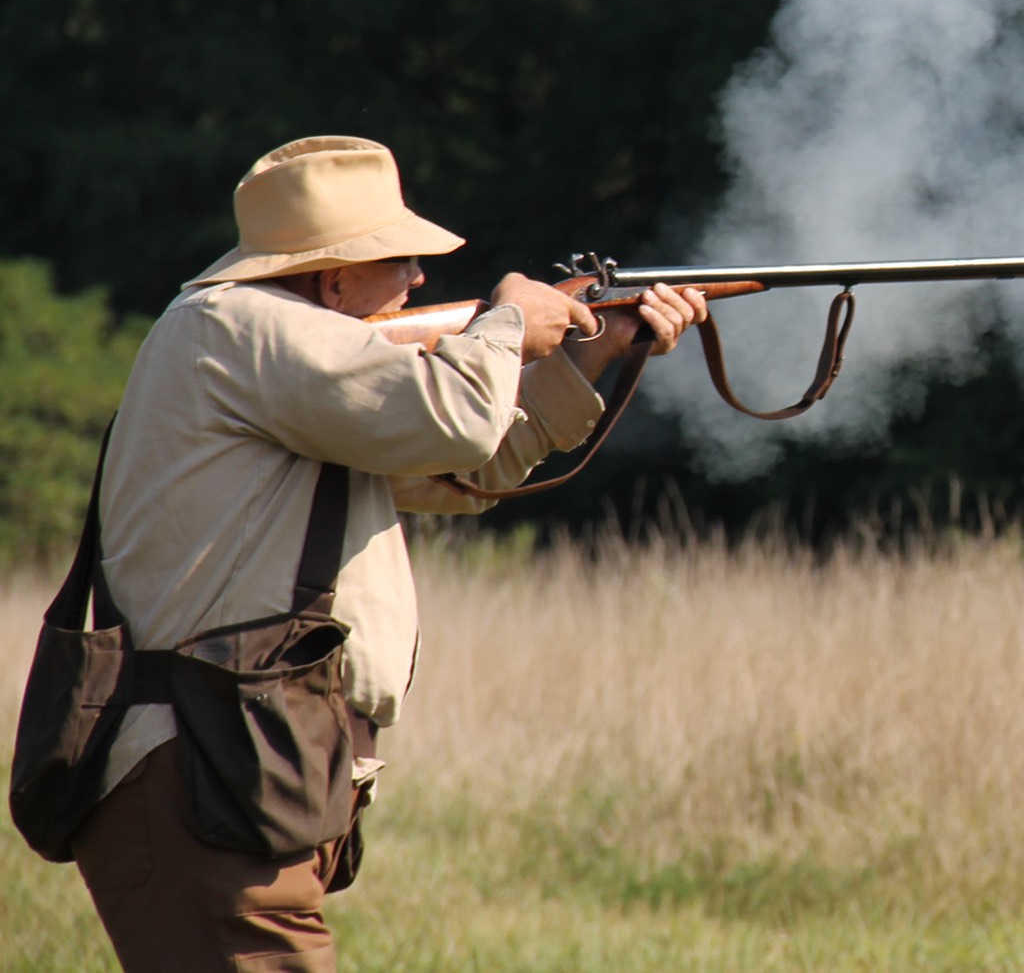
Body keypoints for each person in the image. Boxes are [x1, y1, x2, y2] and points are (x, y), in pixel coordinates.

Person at [68, 135, 707, 971]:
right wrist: (511, 321)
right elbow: (458, 420)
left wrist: (596, 346)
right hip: (207, 763)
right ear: (333, 278)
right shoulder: (244, 327)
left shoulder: (277, 356)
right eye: (399, 260)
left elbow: (469, 464)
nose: (418, 281)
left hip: (254, 760)